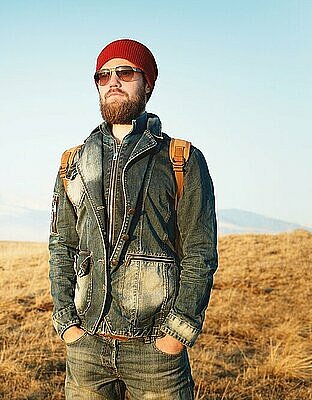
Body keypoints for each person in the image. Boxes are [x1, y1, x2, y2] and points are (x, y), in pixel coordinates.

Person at [48, 38, 219, 399]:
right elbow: (62, 244)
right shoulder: (72, 163)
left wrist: (177, 333)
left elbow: (200, 250)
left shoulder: (180, 159)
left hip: (155, 352)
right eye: (103, 75)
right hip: (87, 348)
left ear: (148, 84)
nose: (113, 81)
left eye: (125, 73)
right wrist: (67, 324)